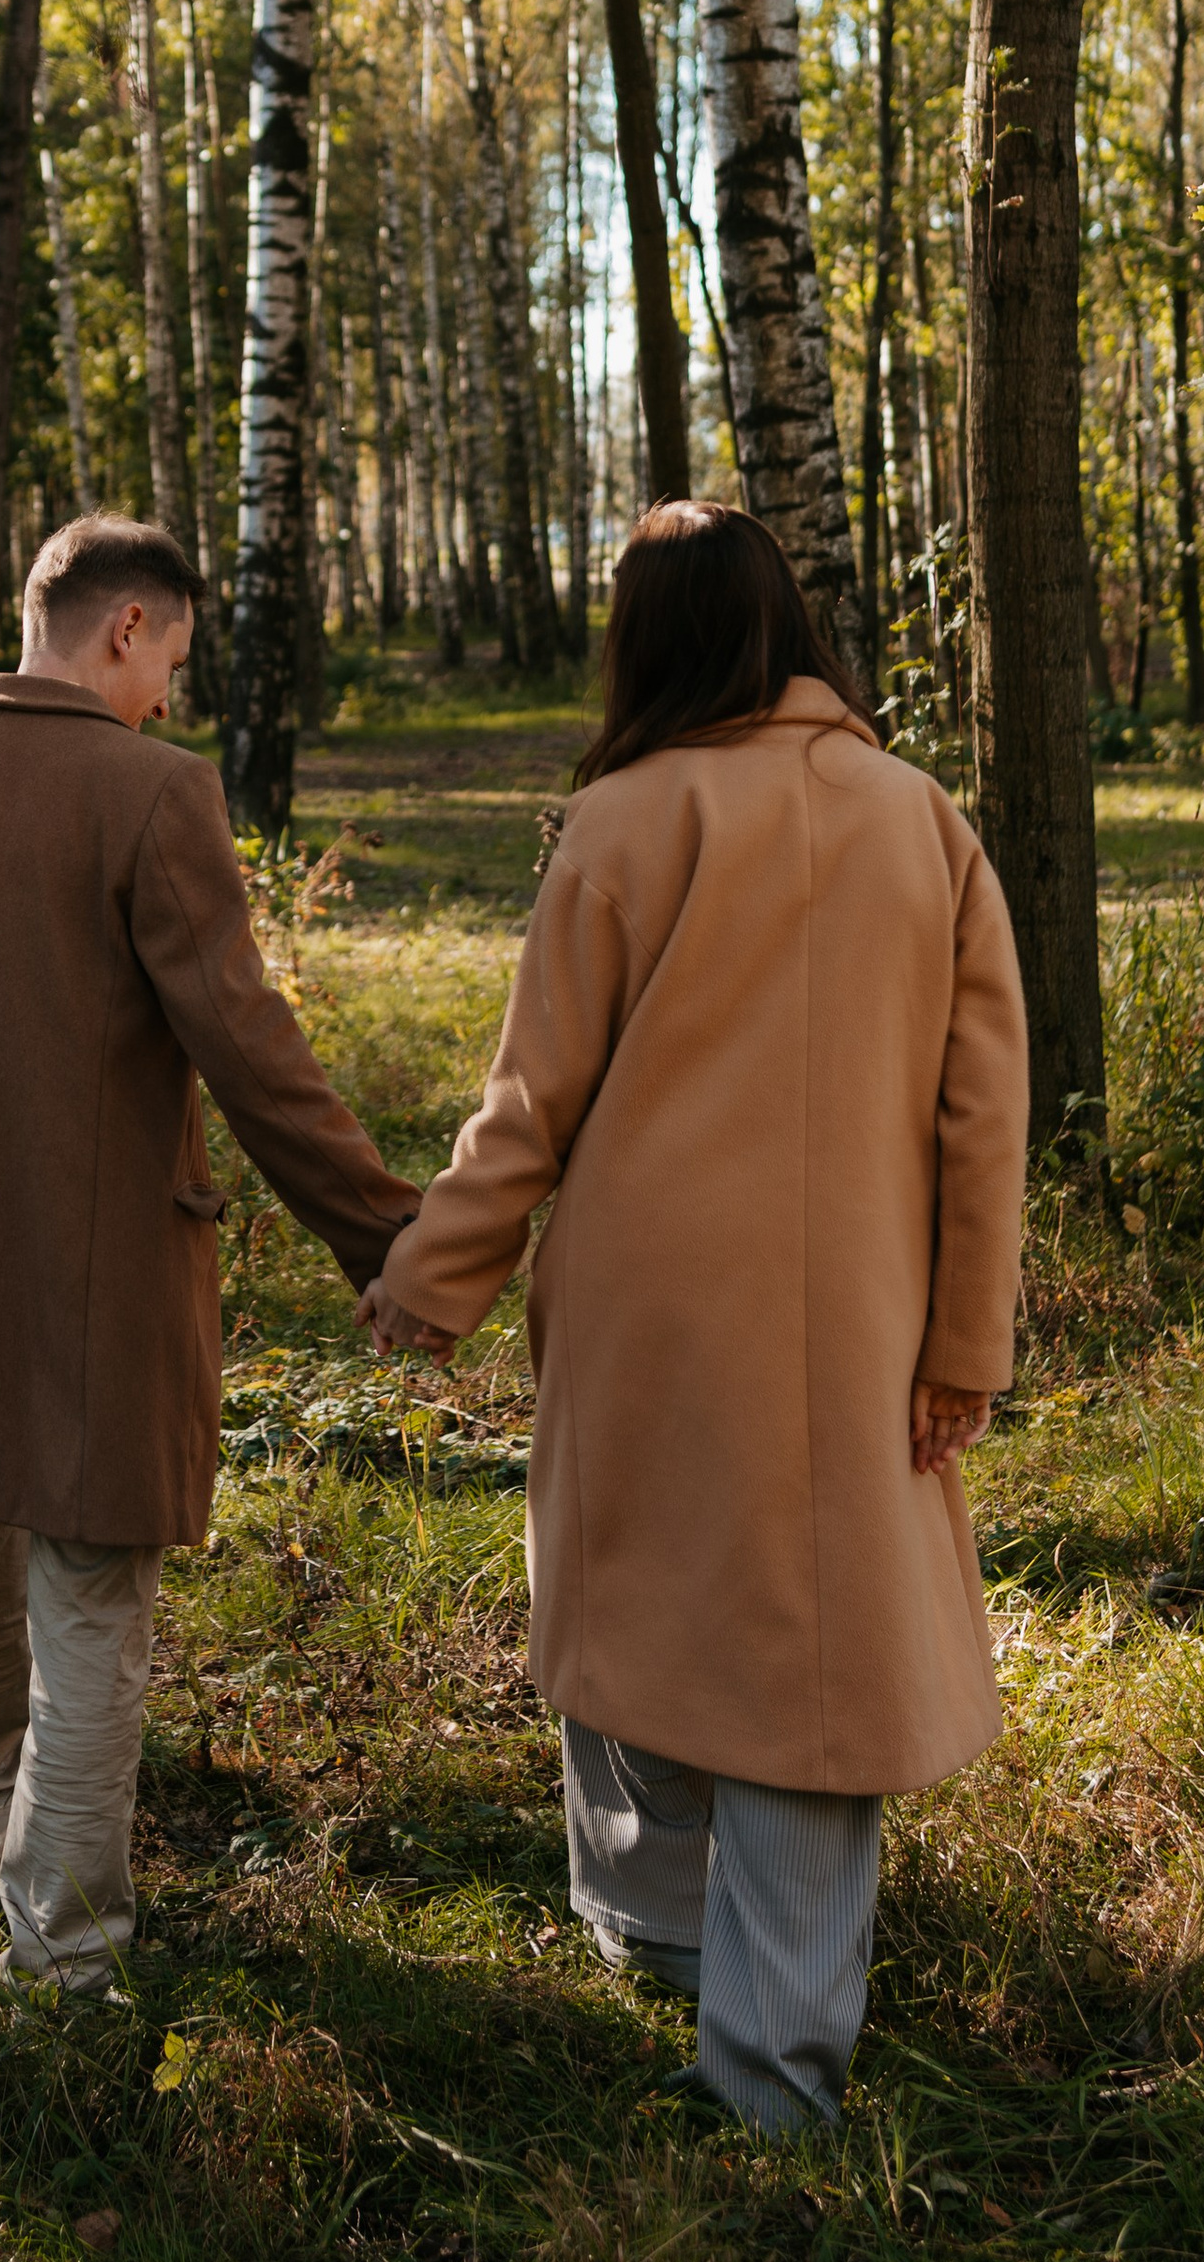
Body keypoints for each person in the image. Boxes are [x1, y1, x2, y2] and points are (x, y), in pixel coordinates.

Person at [357, 499, 1028, 2137]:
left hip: (651, 1315)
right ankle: (770, 2064)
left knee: (638, 1609)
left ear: (641, 646)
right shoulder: (918, 817)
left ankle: (659, 1942)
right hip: (861, 1322)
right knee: (810, 1673)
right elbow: (983, 1114)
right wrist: (962, 1352)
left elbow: (529, 1102)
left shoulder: (619, 822)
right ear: (786, 625)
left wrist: (434, 1275)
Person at [0, 511, 418, 1995]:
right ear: (125, 625)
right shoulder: (153, 795)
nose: (168, 697)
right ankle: (63, 1950)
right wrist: (383, 1228)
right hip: (105, 1267)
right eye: (172, 662)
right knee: (92, 1594)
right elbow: (247, 1051)